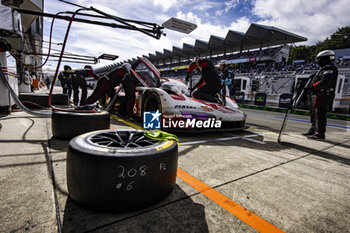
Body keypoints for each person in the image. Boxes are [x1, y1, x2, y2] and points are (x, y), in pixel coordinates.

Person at [305, 50, 338, 140]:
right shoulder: (324, 69)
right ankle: (313, 129)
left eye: (319, 59)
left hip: (322, 94)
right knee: (314, 113)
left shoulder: (329, 68)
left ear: (325, 59)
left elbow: (324, 81)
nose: (318, 62)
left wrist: (312, 87)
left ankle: (319, 134)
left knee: (319, 114)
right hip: (319, 94)